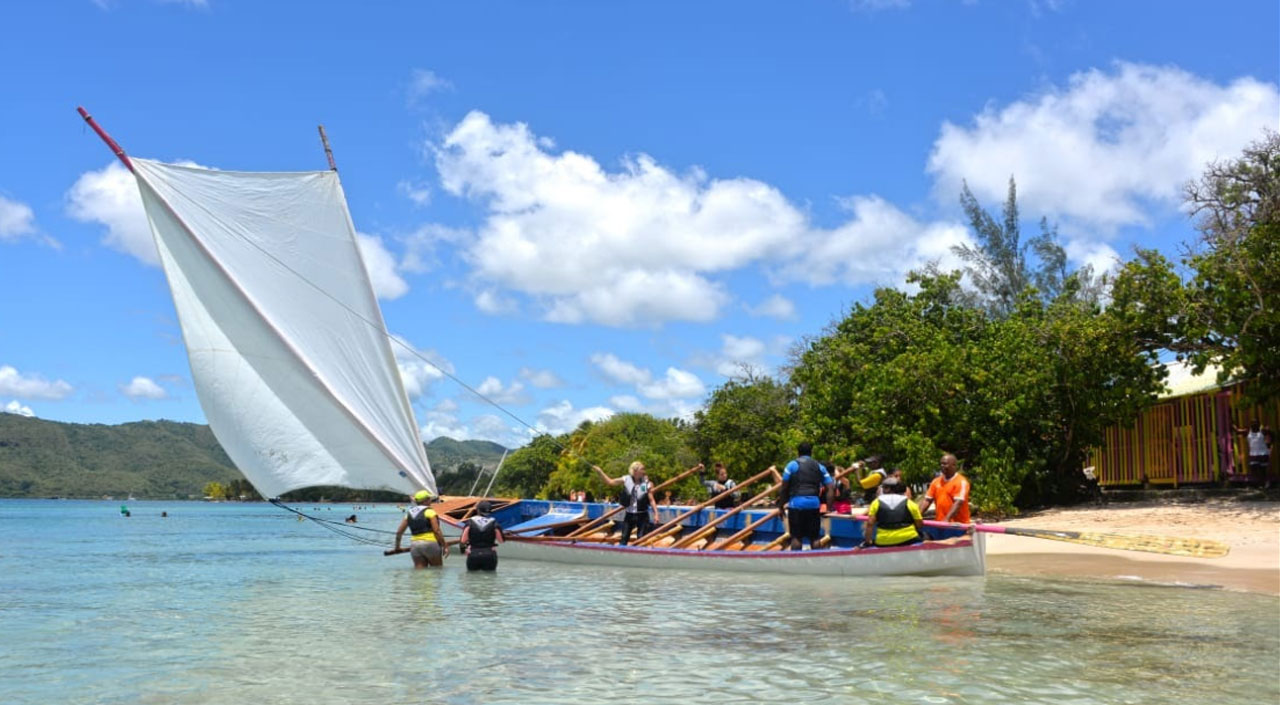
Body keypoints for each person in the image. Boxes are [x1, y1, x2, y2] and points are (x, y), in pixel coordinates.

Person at [778, 442, 833, 551]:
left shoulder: (791, 465)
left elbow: (784, 488)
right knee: (815, 537)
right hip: (814, 504)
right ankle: (817, 559)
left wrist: (780, 506)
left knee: (796, 537)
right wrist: (829, 508)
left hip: (796, 504)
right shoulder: (820, 467)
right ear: (811, 452)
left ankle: (796, 559)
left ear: (798, 452)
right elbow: (830, 488)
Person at [593, 461, 663, 545]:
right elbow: (610, 482)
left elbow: (651, 500)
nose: (644, 471)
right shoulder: (626, 479)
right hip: (629, 514)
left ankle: (640, 551)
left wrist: (656, 514)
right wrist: (600, 472)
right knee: (624, 537)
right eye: (642, 469)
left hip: (642, 515)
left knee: (641, 538)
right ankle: (622, 550)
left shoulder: (646, 483)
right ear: (635, 471)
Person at [861, 477, 924, 547]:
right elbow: (919, 524)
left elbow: (870, 524)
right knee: (927, 536)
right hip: (908, 539)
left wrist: (867, 541)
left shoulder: (876, 503)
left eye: (884, 487)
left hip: (883, 541)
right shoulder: (910, 503)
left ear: (886, 489)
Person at [393, 489, 448, 569]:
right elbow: (436, 531)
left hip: (415, 545)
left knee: (420, 573)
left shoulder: (409, 513)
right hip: (430, 544)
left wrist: (397, 547)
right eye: (429, 499)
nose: (430, 500)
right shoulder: (430, 512)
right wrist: (444, 545)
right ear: (425, 500)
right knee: (437, 570)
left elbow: (399, 532)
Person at [917, 453, 971, 524]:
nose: (942, 466)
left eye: (945, 464)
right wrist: (917, 516)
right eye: (941, 464)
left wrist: (946, 519)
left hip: (958, 524)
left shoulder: (961, 482)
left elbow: (958, 503)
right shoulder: (936, 481)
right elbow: (927, 500)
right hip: (940, 523)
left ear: (954, 465)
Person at [460, 500, 503, 572]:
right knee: (490, 577)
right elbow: (501, 540)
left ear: (478, 510)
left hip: (473, 554)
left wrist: (463, 550)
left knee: (472, 576)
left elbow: (463, 540)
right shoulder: (494, 523)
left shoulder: (470, 522)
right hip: (489, 554)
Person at [1235, 420, 1274, 487]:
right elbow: (1238, 431)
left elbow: (1272, 435)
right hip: (1253, 454)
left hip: (1263, 454)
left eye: (1256, 423)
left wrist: (1269, 444)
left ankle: (1263, 483)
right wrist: (1232, 424)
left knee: (1263, 470)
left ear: (1259, 425)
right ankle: (1262, 482)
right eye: (1252, 423)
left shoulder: (1263, 431)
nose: (1254, 425)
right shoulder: (1248, 432)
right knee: (1254, 468)